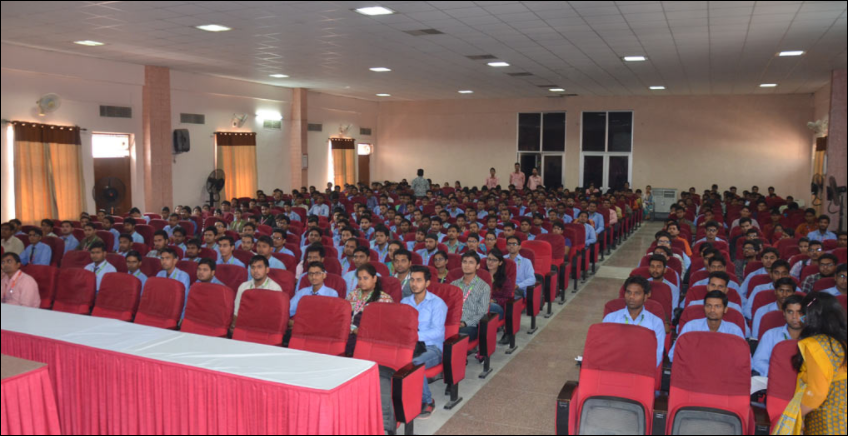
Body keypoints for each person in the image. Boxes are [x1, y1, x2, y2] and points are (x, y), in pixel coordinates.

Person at [780, 293, 846, 435]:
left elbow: (817, 392)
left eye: (803, 315)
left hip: (830, 421)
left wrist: (794, 416)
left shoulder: (817, 345)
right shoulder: (842, 342)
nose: (800, 319)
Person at [401, 266, 447, 419]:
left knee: (414, 364)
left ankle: (427, 401)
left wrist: (414, 336)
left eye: (419, 280)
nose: (414, 284)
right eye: (412, 280)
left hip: (431, 348)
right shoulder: (404, 302)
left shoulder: (437, 303)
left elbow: (438, 332)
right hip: (409, 345)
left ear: (427, 283)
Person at [602, 276, 666, 367]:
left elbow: (657, 355)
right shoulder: (610, 319)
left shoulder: (656, 323)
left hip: (642, 369)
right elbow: (604, 349)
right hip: (614, 367)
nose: (631, 297)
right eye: (628, 292)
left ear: (646, 296)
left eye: (637, 293)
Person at [669, 291, 746, 361]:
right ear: (704, 307)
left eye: (717, 306)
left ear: (725, 309)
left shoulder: (734, 331)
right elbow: (673, 355)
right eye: (709, 306)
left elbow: (745, 360)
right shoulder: (691, 327)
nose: (712, 310)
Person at [752, 294, 804, 377]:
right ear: (784, 313)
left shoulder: (813, 337)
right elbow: (758, 362)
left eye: (799, 312)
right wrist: (777, 373)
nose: (794, 316)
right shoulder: (770, 335)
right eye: (790, 312)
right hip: (775, 378)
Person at [450, 252, 491, 342]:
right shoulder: (453, 284)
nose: (467, 265)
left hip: (469, 325)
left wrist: (464, 323)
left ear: (477, 266)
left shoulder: (484, 287)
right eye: (464, 262)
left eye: (471, 262)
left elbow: (482, 313)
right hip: (452, 321)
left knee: (455, 337)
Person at [233, 256, 283, 322]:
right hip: (245, 323)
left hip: (264, 323)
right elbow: (236, 312)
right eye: (253, 267)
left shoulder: (275, 289)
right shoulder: (243, 286)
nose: (255, 270)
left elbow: (276, 316)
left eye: (259, 267)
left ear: (267, 270)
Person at [155, 248, 192, 319]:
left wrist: (182, 317)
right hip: (160, 308)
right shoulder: (160, 274)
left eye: (167, 258)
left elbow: (184, 299)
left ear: (175, 260)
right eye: (162, 258)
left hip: (174, 311)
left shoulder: (183, 276)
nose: (164, 261)